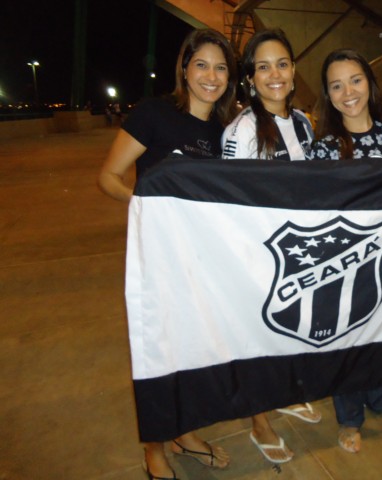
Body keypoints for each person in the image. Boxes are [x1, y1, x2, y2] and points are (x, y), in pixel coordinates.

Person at [97, 28, 237, 479]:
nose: (211, 76)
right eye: (201, 65)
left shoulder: (224, 130)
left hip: (202, 260)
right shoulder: (154, 113)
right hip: (157, 256)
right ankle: (154, 446)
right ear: (184, 68)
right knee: (158, 352)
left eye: (220, 67)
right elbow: (110, 176)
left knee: (193, 350)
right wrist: (144, 207)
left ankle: (186, 432)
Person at [307, 48, 382, 453]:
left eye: (355, 80)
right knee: (348, 339)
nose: (347, 91)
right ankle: (350, 415)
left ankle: (381, 396)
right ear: (328, 95)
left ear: (369, 83)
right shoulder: (324, 148)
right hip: (345, 264)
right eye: (336, 85)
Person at [221, 28, 318, 464]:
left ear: (294, 72)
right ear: (250, 78)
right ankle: (260, 423)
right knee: (256, 340)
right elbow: (227, 203)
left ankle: (286, 391)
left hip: (298, 253)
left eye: (282, 64)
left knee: (290, 331)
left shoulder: (303, 123)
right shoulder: (241, 130)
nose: (274, 74)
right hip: (256, 257)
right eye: (263, 67)